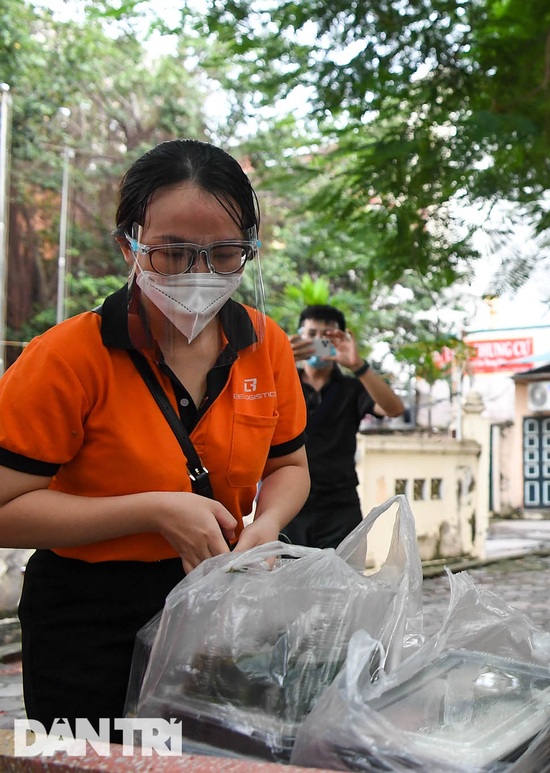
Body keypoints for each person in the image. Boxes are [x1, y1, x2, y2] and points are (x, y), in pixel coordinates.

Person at [0, 139, 309, 729]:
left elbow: (289, 467)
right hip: (89, 618)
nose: (200, 274)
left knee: (209, 762)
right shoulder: (66, 357)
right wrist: (152, 511)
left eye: (224, 253)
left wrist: (265, 528)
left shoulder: (264, 345)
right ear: (129, 246)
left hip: (219, 607)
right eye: (172, 252)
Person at [284, 304, 406, 549]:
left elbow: (394, 409)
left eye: (327, 335)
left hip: (339, 506)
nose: (318, 340)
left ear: (341, 339)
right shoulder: (282, 380)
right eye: (311, 334)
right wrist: (279, 358)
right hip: (286, 504)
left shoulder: (353, 388)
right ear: (298, 336)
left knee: (342, 584)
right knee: (285, 583)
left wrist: (357, 364)